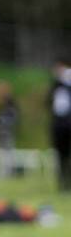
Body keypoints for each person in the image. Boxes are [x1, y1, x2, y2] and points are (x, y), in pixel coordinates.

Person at [49, 57, 71, 191]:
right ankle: (62, 183)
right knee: (60, 156)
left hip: (69, 125)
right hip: (58, 126)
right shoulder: (55, 86)